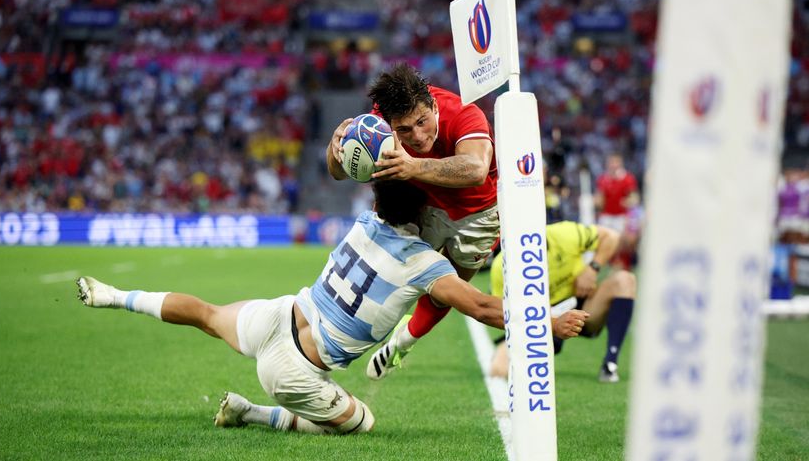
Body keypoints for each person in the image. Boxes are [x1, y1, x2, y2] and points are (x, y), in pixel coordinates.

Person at [73, 180, 587, 434]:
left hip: (279, 314)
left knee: (206, 313)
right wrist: (550, 319)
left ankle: (115, 295)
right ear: (427, 211)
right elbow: (482, 307)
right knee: (362, 422)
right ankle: (251, 413)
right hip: (294, 370)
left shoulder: (365, 221)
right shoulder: (426, 266)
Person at [326, 63, 501, 380]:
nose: (418, 136)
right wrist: (336, 148)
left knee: (448, 290)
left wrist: (413, 167)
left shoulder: (463, 113)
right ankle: (335, 338)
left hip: (479, 213)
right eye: (404, 130)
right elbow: (338, 173)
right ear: (390, 123)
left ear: (434, 106)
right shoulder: (379, 119)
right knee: (391, 272)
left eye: (423, 122)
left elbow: (476, 170)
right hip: (423, 203)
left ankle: (404, 340)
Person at [489, 221, 636, 383]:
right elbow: (502, 312)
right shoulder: (501, 267)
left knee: (625, 280)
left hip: (581, 307)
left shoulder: (564, 234)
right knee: (498, 369)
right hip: (537, 321)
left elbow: (611, 237)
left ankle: (610, 363)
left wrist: (592, 269)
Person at [594, 153, 639, 269]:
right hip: (607, 216)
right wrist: (596, 202)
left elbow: (634, 197)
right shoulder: (603, 179)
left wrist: (629, 202)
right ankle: (607, 263)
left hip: (621, 216)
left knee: (621, 242)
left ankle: (622, 263)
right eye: (611, 162)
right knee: (605, 241)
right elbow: (600, 198)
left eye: (616, 162)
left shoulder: (627, 178)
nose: (613, 165)